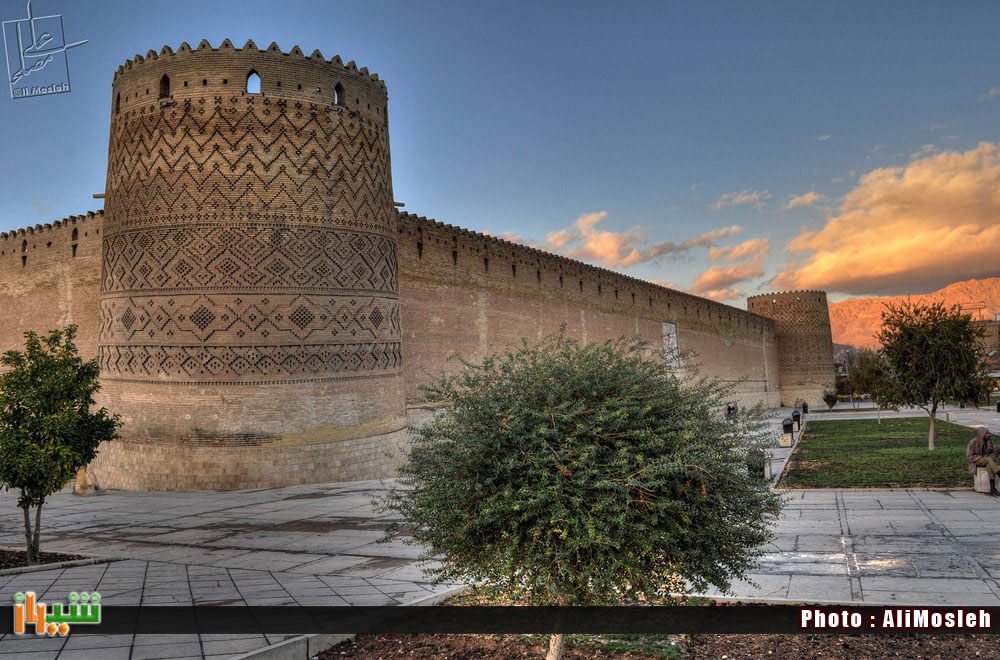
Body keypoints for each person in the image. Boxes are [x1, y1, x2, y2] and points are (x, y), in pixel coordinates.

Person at [967, 426, 1000, 496]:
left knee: (989, 465)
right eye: (986, 433)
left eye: (989, 433)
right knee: (988, 459)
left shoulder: (988, 441)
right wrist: (981, 457)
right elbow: (970, 456)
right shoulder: (973, 442)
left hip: (987, 460)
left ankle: (992, 489)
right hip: (976, 461)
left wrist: (990, 444)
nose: (988, 435)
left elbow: (993, 451)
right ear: (981, 434)